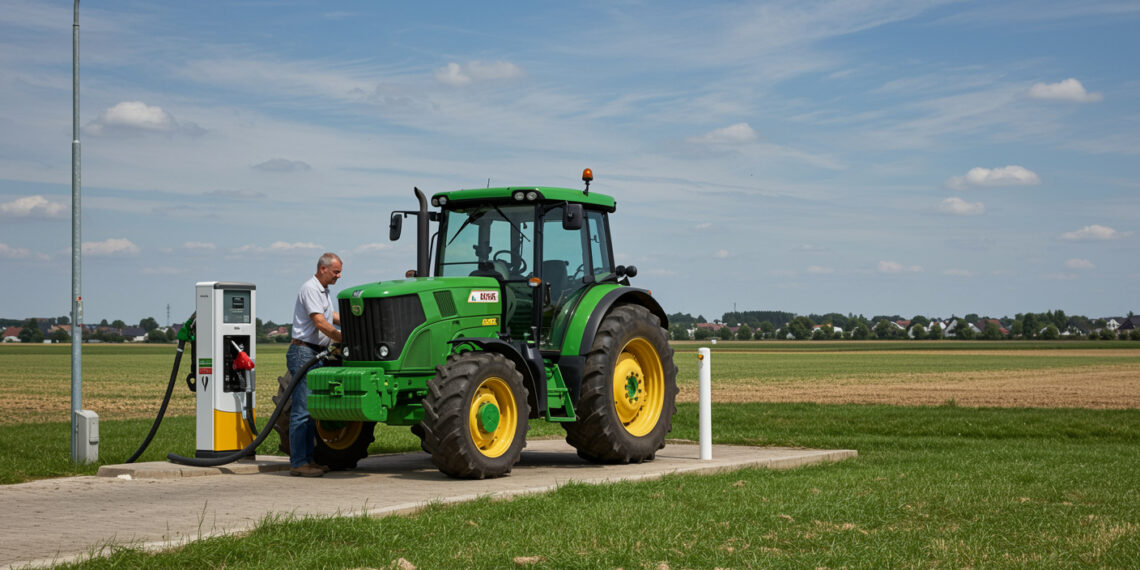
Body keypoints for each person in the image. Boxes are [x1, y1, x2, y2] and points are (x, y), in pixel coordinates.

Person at [286, 252, 343, 477]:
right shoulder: (310, 289)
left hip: (315, 353)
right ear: (323, 269)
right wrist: (342, 337)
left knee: (310, 410)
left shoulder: (323, 291)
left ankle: (309, 460)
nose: (339, 276)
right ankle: (298, 463)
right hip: (304, 352)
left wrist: (355, 317)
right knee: (301, 410)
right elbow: (320, 322)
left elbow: (330, 315)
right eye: (336, 271)